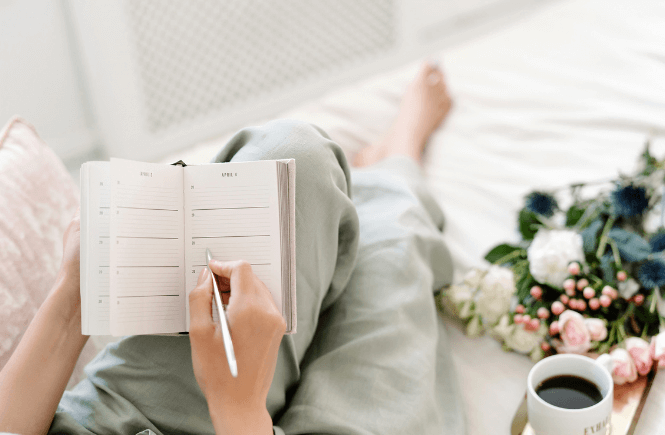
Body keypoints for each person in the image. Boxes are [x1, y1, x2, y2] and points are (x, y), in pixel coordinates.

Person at [0, 63, 463, 435]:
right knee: (395, 265)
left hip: (121, 421)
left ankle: (380, 186)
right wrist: (238, 409)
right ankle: (396, 166)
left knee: (294, 153)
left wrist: (75, 297)